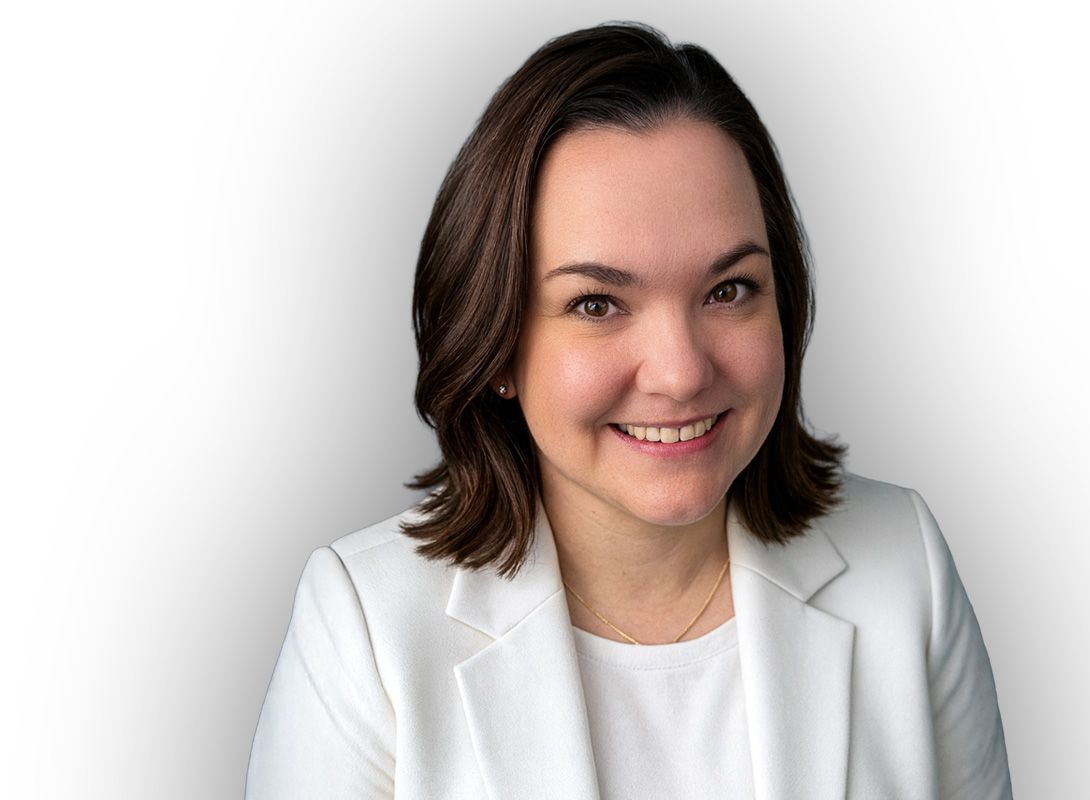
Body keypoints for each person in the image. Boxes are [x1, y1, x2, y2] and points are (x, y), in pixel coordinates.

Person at [246, 21, 1012, 800]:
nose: (680, 374)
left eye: (729, 290)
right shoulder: (367, 626)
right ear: (497, 343)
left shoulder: (904, 567)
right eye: (597, 303)